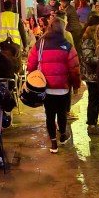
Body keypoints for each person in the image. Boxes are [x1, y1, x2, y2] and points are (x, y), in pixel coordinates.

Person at [28, 16, 81, 153]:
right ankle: (62, 135)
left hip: (46, 87)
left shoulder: (40, 44)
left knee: (49, 115)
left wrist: (33, 76)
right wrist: (76, 86)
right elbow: (74, 69)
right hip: (63, 88)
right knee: (62, 113)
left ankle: (53, 144)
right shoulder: (67, 46)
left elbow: (31, 63)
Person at [80, 19, 99, 135]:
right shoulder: (88, 41)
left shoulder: (96, 41)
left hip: (96, 75)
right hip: (92, 76)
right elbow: (88, 58)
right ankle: (91, 125)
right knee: (94, 100)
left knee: (96, 100)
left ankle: (94, 123)